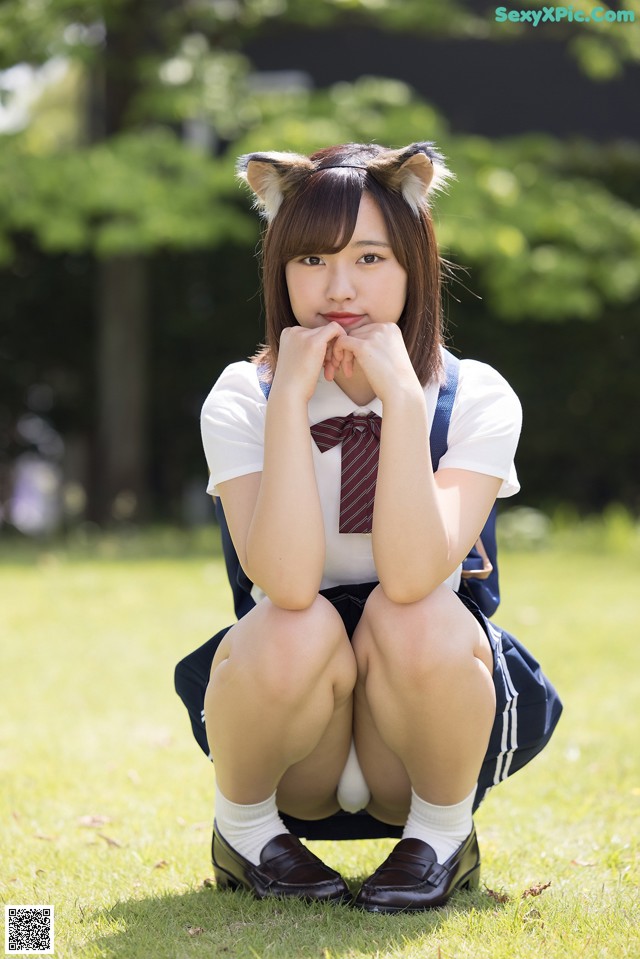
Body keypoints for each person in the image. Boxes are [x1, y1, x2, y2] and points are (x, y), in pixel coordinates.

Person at [175, 141, 562, 912]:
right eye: (311, 261)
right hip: (295, 736)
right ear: (279, 269)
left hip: (418, 734)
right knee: (295, 619)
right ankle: (245, 832)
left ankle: (442, 838)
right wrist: (289, 400)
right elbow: (281, 582)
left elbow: (418, 575)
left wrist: (405, 403)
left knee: (408, 609)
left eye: (371, 258)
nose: (339, 288)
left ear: (414, 261)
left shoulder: (475, 396)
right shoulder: (243, 396)